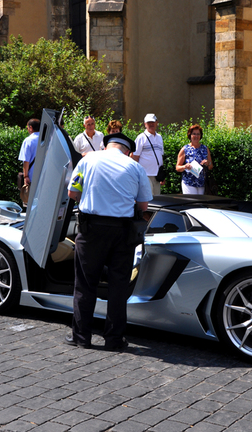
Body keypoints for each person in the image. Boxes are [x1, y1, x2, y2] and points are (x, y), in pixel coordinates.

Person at [66, 132, 152, 351]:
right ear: (128, 151)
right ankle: (114, 339)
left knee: (85, 284)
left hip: (90, 229)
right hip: (122, 233)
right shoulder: (135, 167)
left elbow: (72, 193)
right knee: (118, 286)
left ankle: (81, 337)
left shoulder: (87, 160)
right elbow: (143, 207)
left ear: (105, 146)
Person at [175, 124, 213, 194]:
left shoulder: (205, 149)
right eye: (194, 134)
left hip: (202, 183)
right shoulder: (185, 149)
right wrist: (185, 166)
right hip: (188, 183)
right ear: (190, 135)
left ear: (200, 136)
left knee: (200, 204)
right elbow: (177, 167)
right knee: (192, 204)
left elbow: (211, 166)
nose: (196, 136)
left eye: (198, 134)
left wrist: (208, 163)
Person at [132, 113, 164, 195]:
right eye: (148, 122)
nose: (151, 124)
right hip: (145, 175)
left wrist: (162, 175)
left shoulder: (159, 137)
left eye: (152, 122)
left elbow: (160, 156)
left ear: (157, 123)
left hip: (157, 176)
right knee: (148, 199)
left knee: (157, 200)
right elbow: (135, 157)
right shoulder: (141, 138)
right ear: (145, 124)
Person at [17, 118, 40, 206]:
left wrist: (26, 176)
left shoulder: (28, 140)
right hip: (45, 174)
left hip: (32, 176)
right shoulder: (48, 140)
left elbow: (26, 161)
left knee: (31, 202)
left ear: (30, 127)